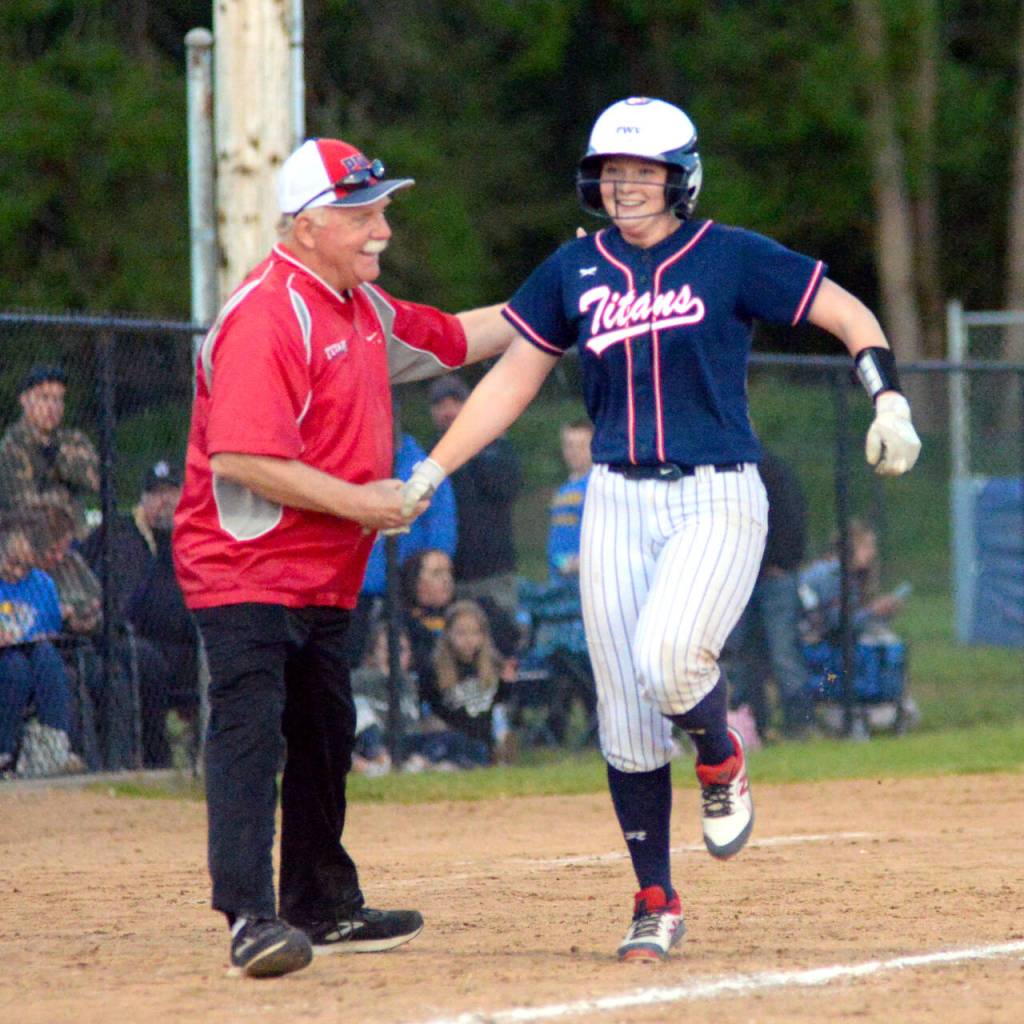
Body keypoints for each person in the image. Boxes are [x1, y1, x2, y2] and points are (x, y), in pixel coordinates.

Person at [400, 96, 922, 962]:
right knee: (626, 717)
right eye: (612, 171)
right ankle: (655, 901)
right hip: (615, 498)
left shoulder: (727, 256)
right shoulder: (576, 271)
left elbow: (847, 313)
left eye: (644, 171)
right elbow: (511, 380)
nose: (625, 186)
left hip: (715, 493)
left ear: (681, 179)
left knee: (670, 657)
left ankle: (719, 755)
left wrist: (890, 396)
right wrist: (431, 469)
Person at [171, 136, 515, 979]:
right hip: (243, 564)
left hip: (321, 570)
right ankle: (249, 917)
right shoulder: (268, 312)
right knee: (252, 732)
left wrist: (568, 299)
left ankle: (320, 904)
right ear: (308, 224)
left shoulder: (362, 307)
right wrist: (364, 501)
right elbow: (241, 459)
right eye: (362, 215)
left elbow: (461, 338)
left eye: (382, 210)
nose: (382, 230)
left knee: (326, 731)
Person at [82, 460, 199, 767]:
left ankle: (210, 753)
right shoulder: (118, 534)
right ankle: (154, 758)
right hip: (130, 642)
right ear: (143, 498)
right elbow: (80, 572)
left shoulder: (194, 537)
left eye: (172, 492)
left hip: (188, 643)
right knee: (146, 662)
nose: (166, 501)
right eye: (157, 493)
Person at [722, 449, 815, 741]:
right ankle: (753, 723)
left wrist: (782, 562)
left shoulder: (770, 469)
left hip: (773, 576)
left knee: (782, 651)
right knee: (744, 654)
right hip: (741, 579)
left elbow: (791, 517)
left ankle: (799, 723)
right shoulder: (722, 471)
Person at [347, 426, 457, 665]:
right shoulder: (351, 462)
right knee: (353, 662)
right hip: (356, 592)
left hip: (406, 591)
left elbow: (441, 533)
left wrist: (427, 574)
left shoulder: (421, 469)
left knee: (408, 658)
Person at [428, 375, 523, 616]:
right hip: (450, 579)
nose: (448, 411)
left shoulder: (495, 446)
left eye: (455, 403)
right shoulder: (429, 458)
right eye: (440, 405)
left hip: (494, 575)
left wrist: (474, 445)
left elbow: (507, 489)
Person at [0, 515, 78, 777]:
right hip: (6, 658)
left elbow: (49, 629)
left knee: (46, 656)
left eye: (25, 566)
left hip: (31, 650)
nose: (18, 572)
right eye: (12, 564)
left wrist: (72, 615)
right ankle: (5, 751)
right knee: (15, 668)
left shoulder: (42, 583)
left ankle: (54, 746)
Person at [0, 364, 100, 540]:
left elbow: (96, 480)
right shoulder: (12, 447)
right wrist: (64, 492)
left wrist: (60, 460)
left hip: (76, 539)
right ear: (24, 399)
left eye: (58, 399)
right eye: (44, 398)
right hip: (33, 543)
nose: (52, 407)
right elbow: (25, 505)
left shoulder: (73, 439)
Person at [420, 599, 517, 764]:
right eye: (461, 633)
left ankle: (499, 758)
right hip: (451, 739)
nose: (468, 639)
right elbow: (430, 707)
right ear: (448, 634)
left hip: (484, 738)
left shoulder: (493, 664)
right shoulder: (434, 669)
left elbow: (499, 703)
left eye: (474, 633)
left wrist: (507, 683)